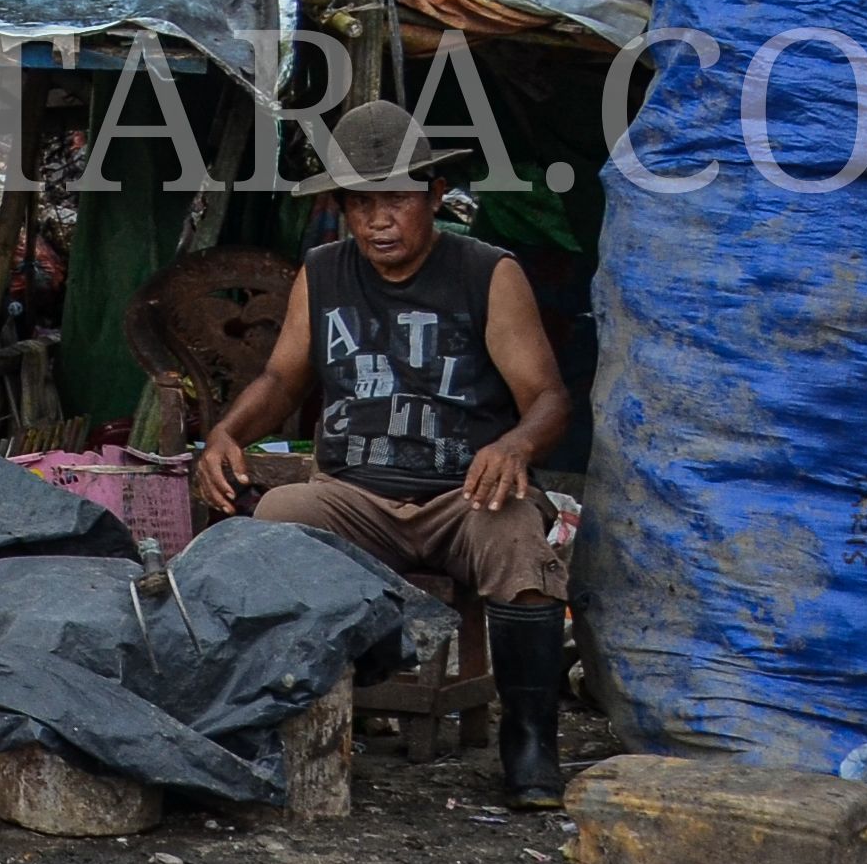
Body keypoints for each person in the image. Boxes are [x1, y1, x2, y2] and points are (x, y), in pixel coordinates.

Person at [198, 98, 582, 805]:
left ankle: (530, 746)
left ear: (435, 196)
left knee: (519, 545)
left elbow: (549, 398)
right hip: (355, 496)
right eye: (361, 203)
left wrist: (514, 445)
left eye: (397, 199)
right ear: (343, 208)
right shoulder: (323, 272)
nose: (379, 219)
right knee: (275, 519)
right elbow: (283, 379)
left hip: (462, 498)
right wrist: (226, 434)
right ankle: (272, 723)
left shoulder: (487, 273)